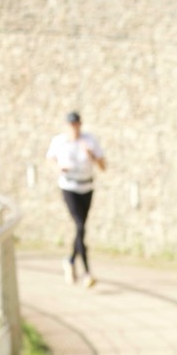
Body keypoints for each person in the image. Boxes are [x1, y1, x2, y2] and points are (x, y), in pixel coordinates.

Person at [46, 112, 106, 288]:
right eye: (71, 124)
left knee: (81, 228)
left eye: (76, 123)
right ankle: (87, 272)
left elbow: (103, 166)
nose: (74, 127)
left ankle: (71, 260)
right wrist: (58, 168)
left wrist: (92, 156)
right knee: (80, 226)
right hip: (69, 186)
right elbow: (49, 160)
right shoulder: (60, 141)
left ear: (80, 124)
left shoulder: (89, 140)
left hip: (86, 187)